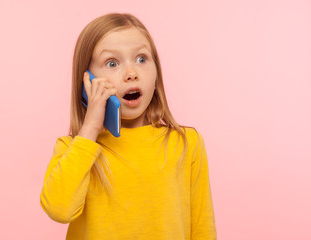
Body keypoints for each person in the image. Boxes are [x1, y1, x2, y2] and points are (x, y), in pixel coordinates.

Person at [40, 12, 217, 240]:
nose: (131, 73)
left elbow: (202, 230)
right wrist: (90, 128)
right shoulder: (74, 149)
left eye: (142, 59)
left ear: (157, 72)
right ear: (87, 82)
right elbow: (59, 209)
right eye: (112, 63)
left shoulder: (185, 142)